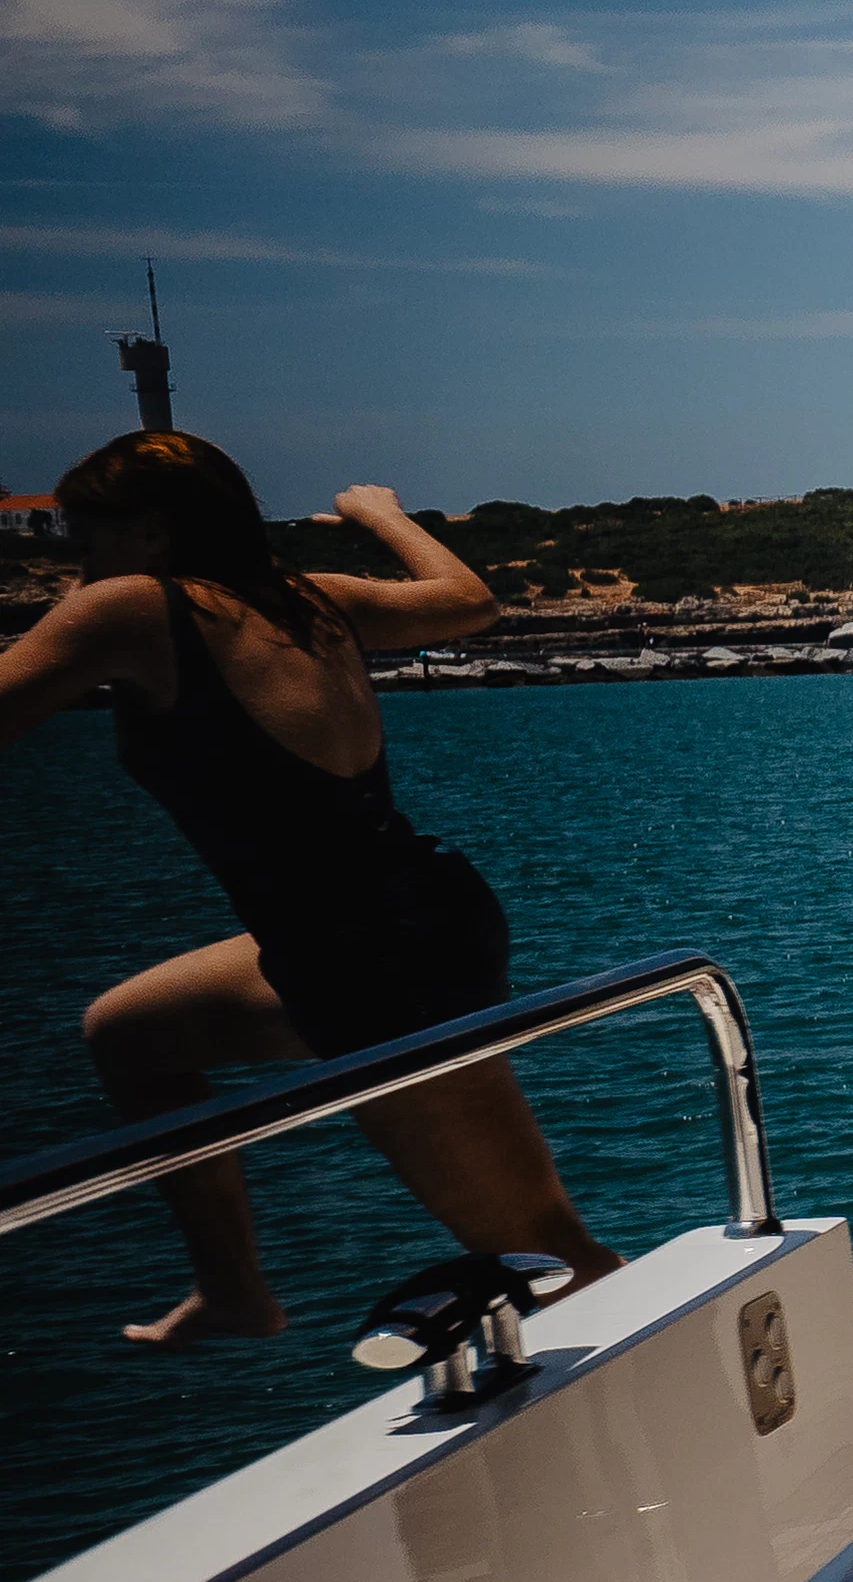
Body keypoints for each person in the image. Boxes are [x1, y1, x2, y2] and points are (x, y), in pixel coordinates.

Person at [0, 430, 609, 1344]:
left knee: (546, 1248)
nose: (78, 567)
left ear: (154, 532)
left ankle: (726, 1448)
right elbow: (468, 600)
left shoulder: (129, 608)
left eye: (89, 540)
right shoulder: (312, 599)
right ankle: (232, 1287)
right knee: (131, 1032)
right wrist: (382, 516)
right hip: (412, 918)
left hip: (369, 962)